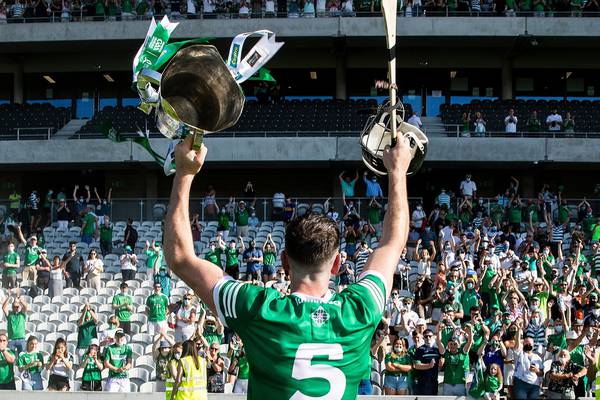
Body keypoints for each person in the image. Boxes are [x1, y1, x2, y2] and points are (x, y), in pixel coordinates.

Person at [164, 133, 411, 398]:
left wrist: (185, 174)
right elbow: (393, 242)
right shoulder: (360, 311)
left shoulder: (259, 309)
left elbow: (180, 258)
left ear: (283, 261)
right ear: (337, 264)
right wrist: (397, 172)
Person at [437, 324, 473, 396]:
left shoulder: (463, 352)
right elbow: (438, 342)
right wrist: (439, 331)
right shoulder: (446, 353)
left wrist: (470, 330)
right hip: (448, 383)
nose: (453, 346)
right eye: (451, 344)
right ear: (448, 345)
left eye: (455, 344)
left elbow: (470, 342)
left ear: (459, 345)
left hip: (460, 384)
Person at [512, 331, 543, 399]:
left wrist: (537, 370)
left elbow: (541, 373)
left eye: (529, 343)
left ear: (533, 345)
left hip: (534, 385)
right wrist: (519, 330)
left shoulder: (538, 357)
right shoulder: (519, 354)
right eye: (525, 342)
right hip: (521, 382)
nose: (527, 344)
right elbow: (517, 344)